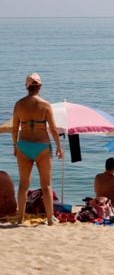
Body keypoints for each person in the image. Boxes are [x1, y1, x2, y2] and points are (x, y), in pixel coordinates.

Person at [12, 73, 63, 226]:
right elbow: (53, 129)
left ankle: (20, 219)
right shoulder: (45, 105)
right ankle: (49, 219)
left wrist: (15, 146)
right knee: (46, 185)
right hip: (42, 146)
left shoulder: (19, 104)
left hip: (24, 145)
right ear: (40, 87)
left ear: (27, 86)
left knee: (23, 184)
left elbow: (15, 129)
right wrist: (59, 147)